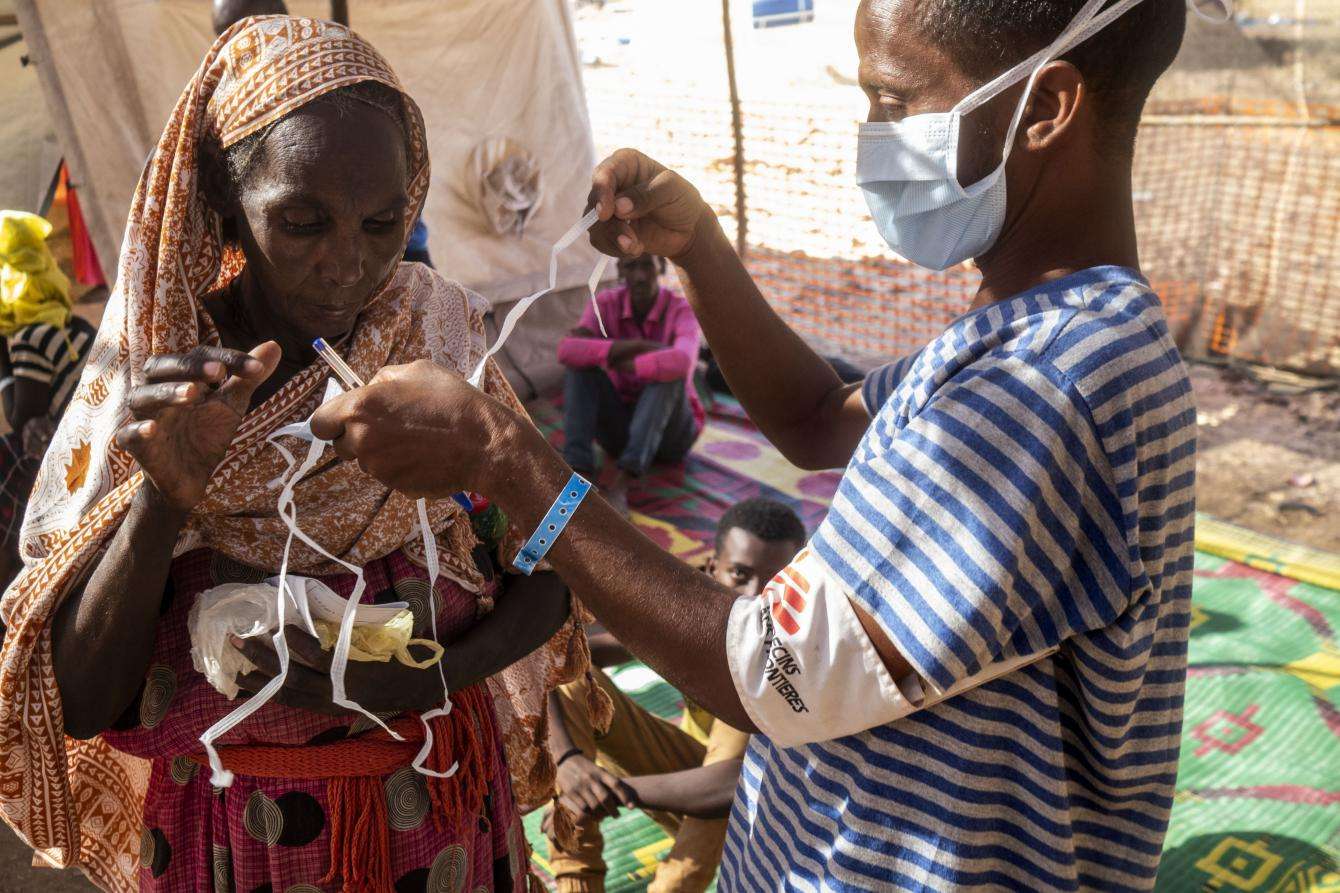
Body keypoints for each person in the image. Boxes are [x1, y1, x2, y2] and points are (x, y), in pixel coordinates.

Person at [312, 0, 1203, 889]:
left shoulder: (1042, 389)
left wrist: (507, 460)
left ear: (1044, 109)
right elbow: (819, 416)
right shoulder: (1037, 334)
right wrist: (696, 244)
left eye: (894, 103)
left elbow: (773, 675)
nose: (873, 135)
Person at [0, 18, 607, 893]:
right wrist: (161, 500)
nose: (346, 264)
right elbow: (82, 700)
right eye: (302, 221)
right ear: (225, 196)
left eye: (382, 221)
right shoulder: (163, 385)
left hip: (445, 816)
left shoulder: (431, 332)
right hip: (243, 846)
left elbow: (554, 563)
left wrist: (430, 680)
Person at [543, 497, 804, 893]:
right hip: (685, 786)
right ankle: (576, 881)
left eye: (774, 582)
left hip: (752, 813)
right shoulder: (699, 619)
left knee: (746, 713)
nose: (755, 597)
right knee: (577, 676)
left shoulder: (794, 648)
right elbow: (559, 659)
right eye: (739, 574)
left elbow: (733, 784)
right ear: (710, 569)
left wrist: (607, 794)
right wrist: (568, 763)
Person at [556, 253, 703, 513]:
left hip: (672, 437)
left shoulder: (681, 309)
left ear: (661, 266)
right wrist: (639, 347)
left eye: (647, 265)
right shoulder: (606, 303)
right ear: (620, 271)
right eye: (630, 266)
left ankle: (623, 483)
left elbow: (681, 362)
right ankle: (580, 470)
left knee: (667, 377)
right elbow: (567, 351)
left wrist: (618, 359)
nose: (639, 275)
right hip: (621, 431)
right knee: (580, 370)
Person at [0, 211, 97, 592]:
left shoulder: (32, 337)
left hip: (78, 464)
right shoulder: (74, 327)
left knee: (9, 452)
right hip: (94, 446)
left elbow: (21, 417)